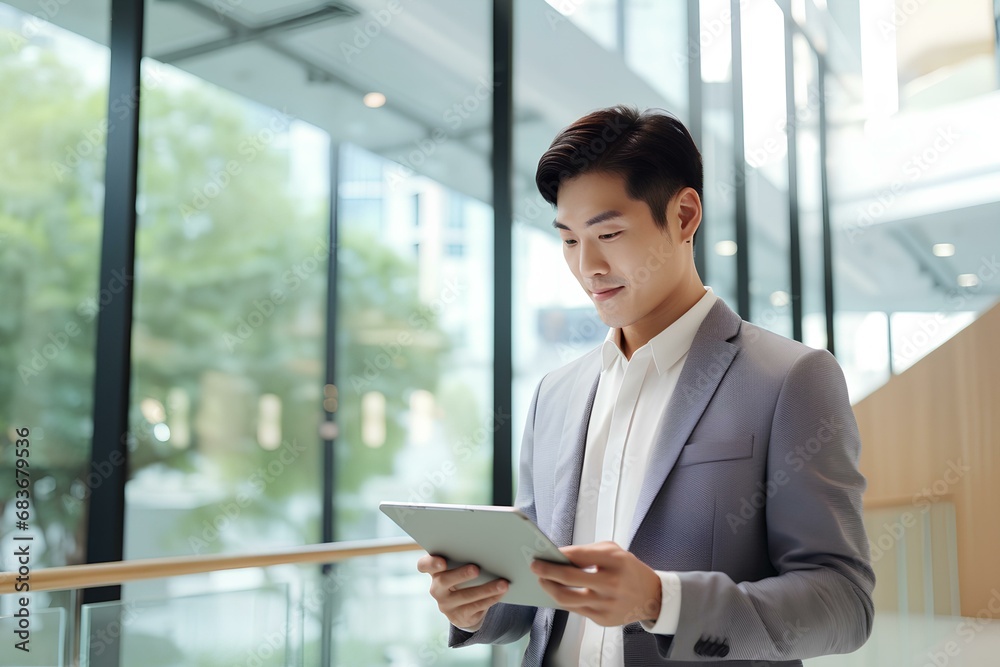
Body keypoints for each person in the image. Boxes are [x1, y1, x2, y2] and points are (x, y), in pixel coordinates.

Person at [417, 105, 874, 666]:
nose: (588, 266)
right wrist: (477, 604)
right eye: (568, 240)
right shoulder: (554, 395)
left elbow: (843, 604)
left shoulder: (790, 378)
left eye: (609, 233)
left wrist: (662, 600)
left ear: (683, 216)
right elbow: (538, 591)